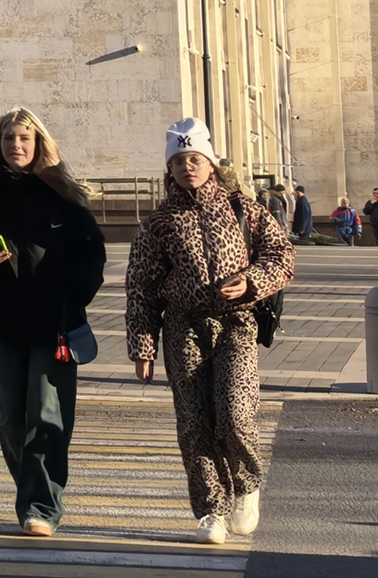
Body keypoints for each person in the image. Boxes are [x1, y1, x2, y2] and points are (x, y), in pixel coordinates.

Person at [126, 118, 295, 545]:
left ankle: (247, 484)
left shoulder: (243, 209)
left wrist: (252, 282)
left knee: (235, 413)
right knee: (194, 423)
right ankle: (211, 511)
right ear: (169, 168)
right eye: (179, 161)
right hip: (183, 328)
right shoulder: (158, 223)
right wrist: (143, 346)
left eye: (195, 159)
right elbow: (141, 287)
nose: (188, 167)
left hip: (237, 324)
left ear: (210, 163)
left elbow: (281, 255)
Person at [0, 107, 106, 538]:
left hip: (53, 323)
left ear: (38, 144)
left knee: (47, 416)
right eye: (7, 138)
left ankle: (40, 507)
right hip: (1, 321)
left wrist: (73, 300)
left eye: (23, 138)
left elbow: (92, 254)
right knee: (10, 419)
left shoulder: (62, 193)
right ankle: (34, 490)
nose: (15, 145)